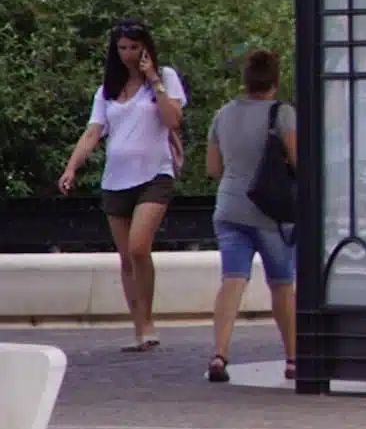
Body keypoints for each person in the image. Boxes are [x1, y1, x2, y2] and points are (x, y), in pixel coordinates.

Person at [56, 20, 188, 352]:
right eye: (123, 48)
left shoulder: (165, 78)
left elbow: (173, 119)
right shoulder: (107, 90)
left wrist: (154, 78)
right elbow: (93, 132)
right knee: (126, 258)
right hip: (117, 178)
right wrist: (72, 167)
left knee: (139, 247)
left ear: (145, 47)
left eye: (134, 47)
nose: (128, 54)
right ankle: (139, 327)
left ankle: (149, 321)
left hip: (155, 174)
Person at [205, 48, 297, 383]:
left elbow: (213, 169)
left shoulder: (223, 115)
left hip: (229, 207)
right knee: (282, 285)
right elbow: (298, 160)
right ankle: (292, 357)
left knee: (232, 280)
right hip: (271, 213)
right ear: (275, 80)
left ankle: (219, 354)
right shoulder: (282, 114)